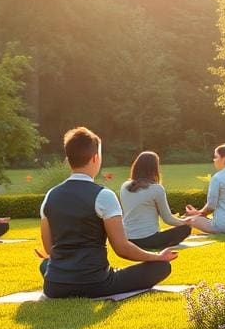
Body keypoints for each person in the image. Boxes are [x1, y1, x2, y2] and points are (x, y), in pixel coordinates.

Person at [38, 127, 177, 298]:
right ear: (96, 158)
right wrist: (156, 257)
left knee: (46, 265)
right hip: (96, 284)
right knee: (162, 267)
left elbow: (49, 248)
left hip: (55, 286)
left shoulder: (50, 196)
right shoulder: (103, 195)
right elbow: (122, 248)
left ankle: (58, 274)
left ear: (68, 160)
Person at [119, 151, 192, 250]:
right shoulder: (156, 189)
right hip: (148, 240)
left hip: (127, 239)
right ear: (154, 169)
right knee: (186, 229)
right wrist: (185, 222)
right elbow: (168, 219)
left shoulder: (125, 186)